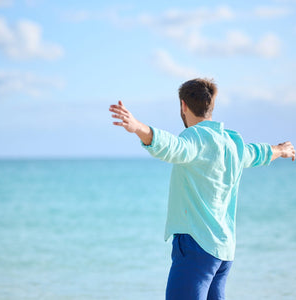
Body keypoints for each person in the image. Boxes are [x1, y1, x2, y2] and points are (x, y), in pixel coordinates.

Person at [109, 78, 295, 300]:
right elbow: (257, 153)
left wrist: (137, 126)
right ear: (211, 107)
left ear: (183, 106)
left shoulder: (195, 138)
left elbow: (172, 146)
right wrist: (280, 150)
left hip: (196, 247)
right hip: (223, 253)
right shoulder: (231, 144)